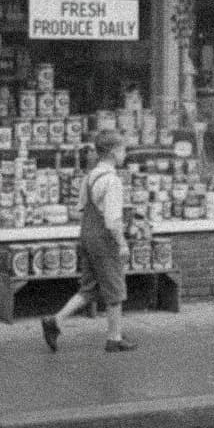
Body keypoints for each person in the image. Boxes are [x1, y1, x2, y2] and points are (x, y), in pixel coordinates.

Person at [41, 130, 137, 353]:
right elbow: (113, 220)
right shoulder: (112, 181)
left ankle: (55, 321)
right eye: (123, 150)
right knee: (115, 289)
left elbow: (81, 207)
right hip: (104, 238)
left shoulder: (90, 176)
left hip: (87, 234)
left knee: (89, 287)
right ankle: (114, 338)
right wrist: (122, 243)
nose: (125, 154)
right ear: (113, 152)